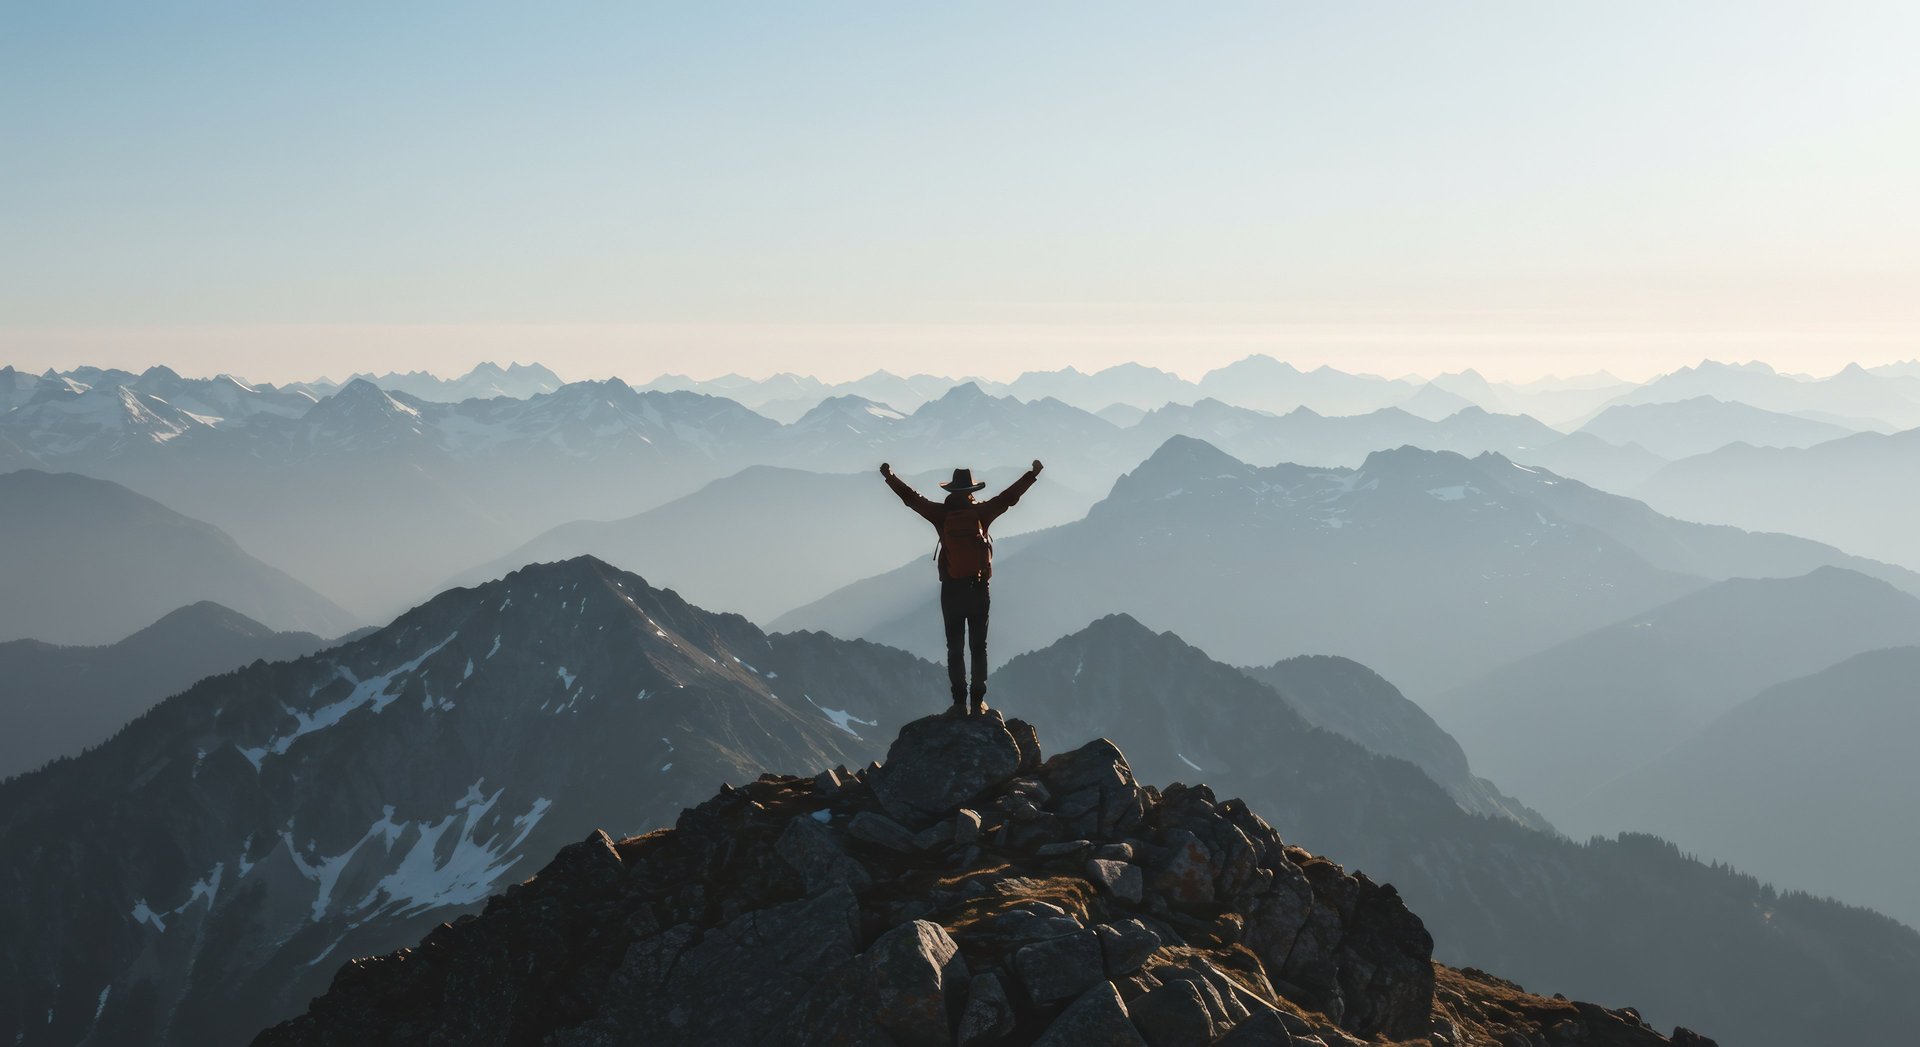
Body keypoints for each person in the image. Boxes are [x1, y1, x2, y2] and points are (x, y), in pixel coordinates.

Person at [881, 459, 1043, 715]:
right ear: (972, 491)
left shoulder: (940, 514)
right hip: (979, 588)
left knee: (954, 647)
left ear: (951, 491)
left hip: (952, 590)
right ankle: (977, 703)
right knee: (979, 647)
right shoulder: (982, 513)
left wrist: (889, 476)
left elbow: (911, 499)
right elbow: (1009, 497)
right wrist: (1032, 475)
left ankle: (959, 703)